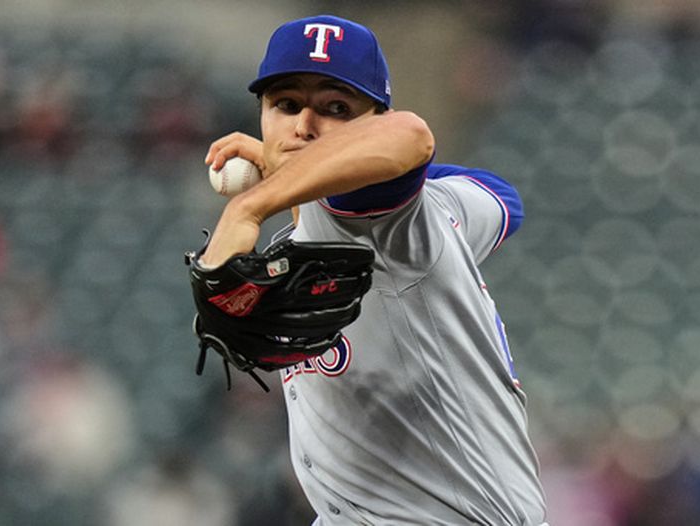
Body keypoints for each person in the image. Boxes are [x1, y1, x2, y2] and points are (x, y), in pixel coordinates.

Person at [200, 14, 548, 525]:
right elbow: (502, 199)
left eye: (336, 108)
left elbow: (411, 135)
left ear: (373, 121)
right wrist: (293, 174)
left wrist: (249, 206)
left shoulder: (380, 219)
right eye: (286, 105)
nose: (303, 126)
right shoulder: (434, 209)